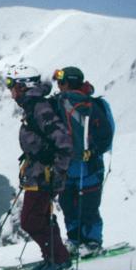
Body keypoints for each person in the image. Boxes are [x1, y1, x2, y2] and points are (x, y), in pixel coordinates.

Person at [2, 64, 73, 270]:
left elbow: (64, 143)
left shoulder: (40, 108)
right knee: (39, 218)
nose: (10, 91)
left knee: (31, 220)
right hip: (39, 172)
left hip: (45, 175)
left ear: (24, 86)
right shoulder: (33, 106)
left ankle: (59, 261)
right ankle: (53, 259)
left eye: (12, 85)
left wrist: (56, 172)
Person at [51, 66, 113, 255]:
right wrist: (94, 152)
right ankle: (82, 241)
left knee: (81, 206)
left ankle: (89, 241)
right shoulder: (93, 105)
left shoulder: (62, 105)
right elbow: (106, 136)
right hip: (87, 167)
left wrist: (91, 151)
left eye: (61, 82)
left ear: (68, 82)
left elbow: (104, 135)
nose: (59, 86)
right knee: (77, 204)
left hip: (75, 166)